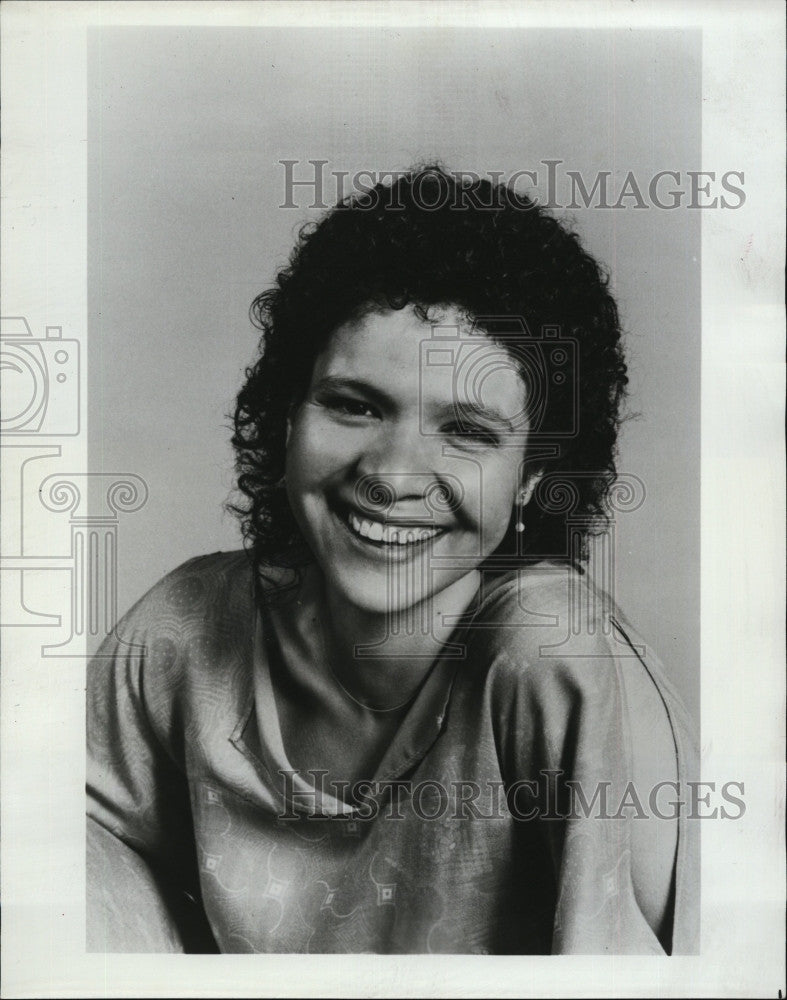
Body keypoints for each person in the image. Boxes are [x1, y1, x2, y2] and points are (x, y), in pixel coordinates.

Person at [87, 166, 699, 955]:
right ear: (286, 416)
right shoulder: (183, 630)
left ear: (532, 481)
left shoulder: (554, 657)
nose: (391, 474)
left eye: (468, 433)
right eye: (353, 405)